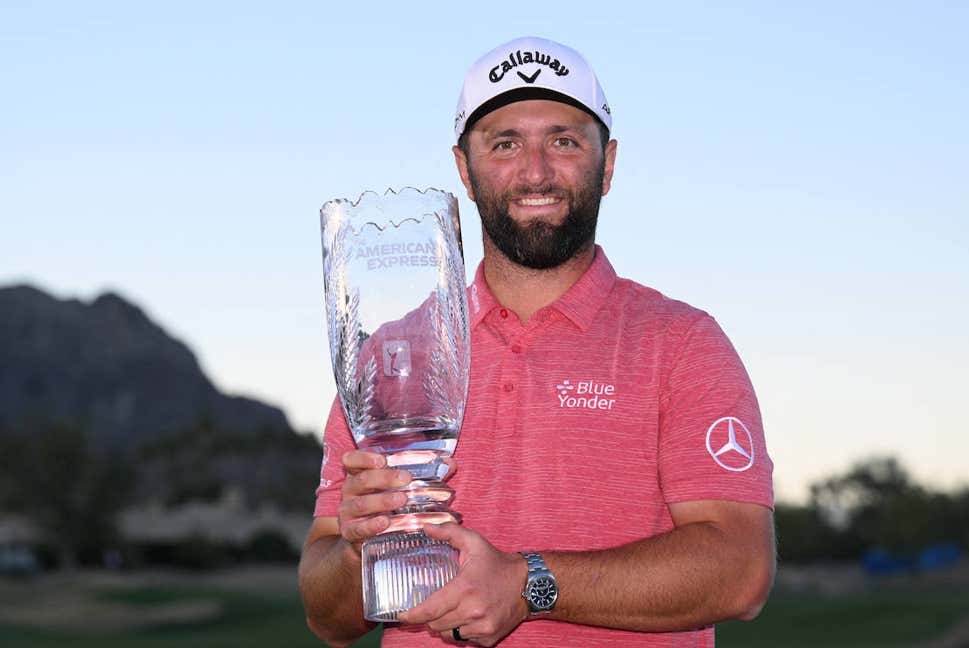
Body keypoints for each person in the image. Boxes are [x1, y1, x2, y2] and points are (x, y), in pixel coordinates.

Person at [299, 36, 775, 648]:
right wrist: (354, 553)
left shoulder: (681, 342)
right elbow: (327, 618)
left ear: (607, 166)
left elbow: (741, 570)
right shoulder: (387, 354)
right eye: (504, 144)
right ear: (463, 169)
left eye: (564, 140)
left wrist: (528, 585)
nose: (535, 172)